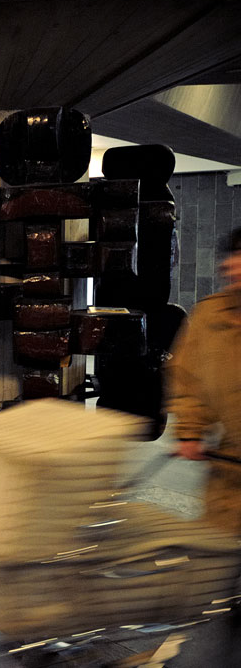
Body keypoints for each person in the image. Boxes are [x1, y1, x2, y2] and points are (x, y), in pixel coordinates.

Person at [166, 226, 241, 535]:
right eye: (231, 256)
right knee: (217, 556)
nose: (230, 265)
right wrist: (190, 431)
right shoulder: (210, 315)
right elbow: (188, 378)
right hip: (228, 472)